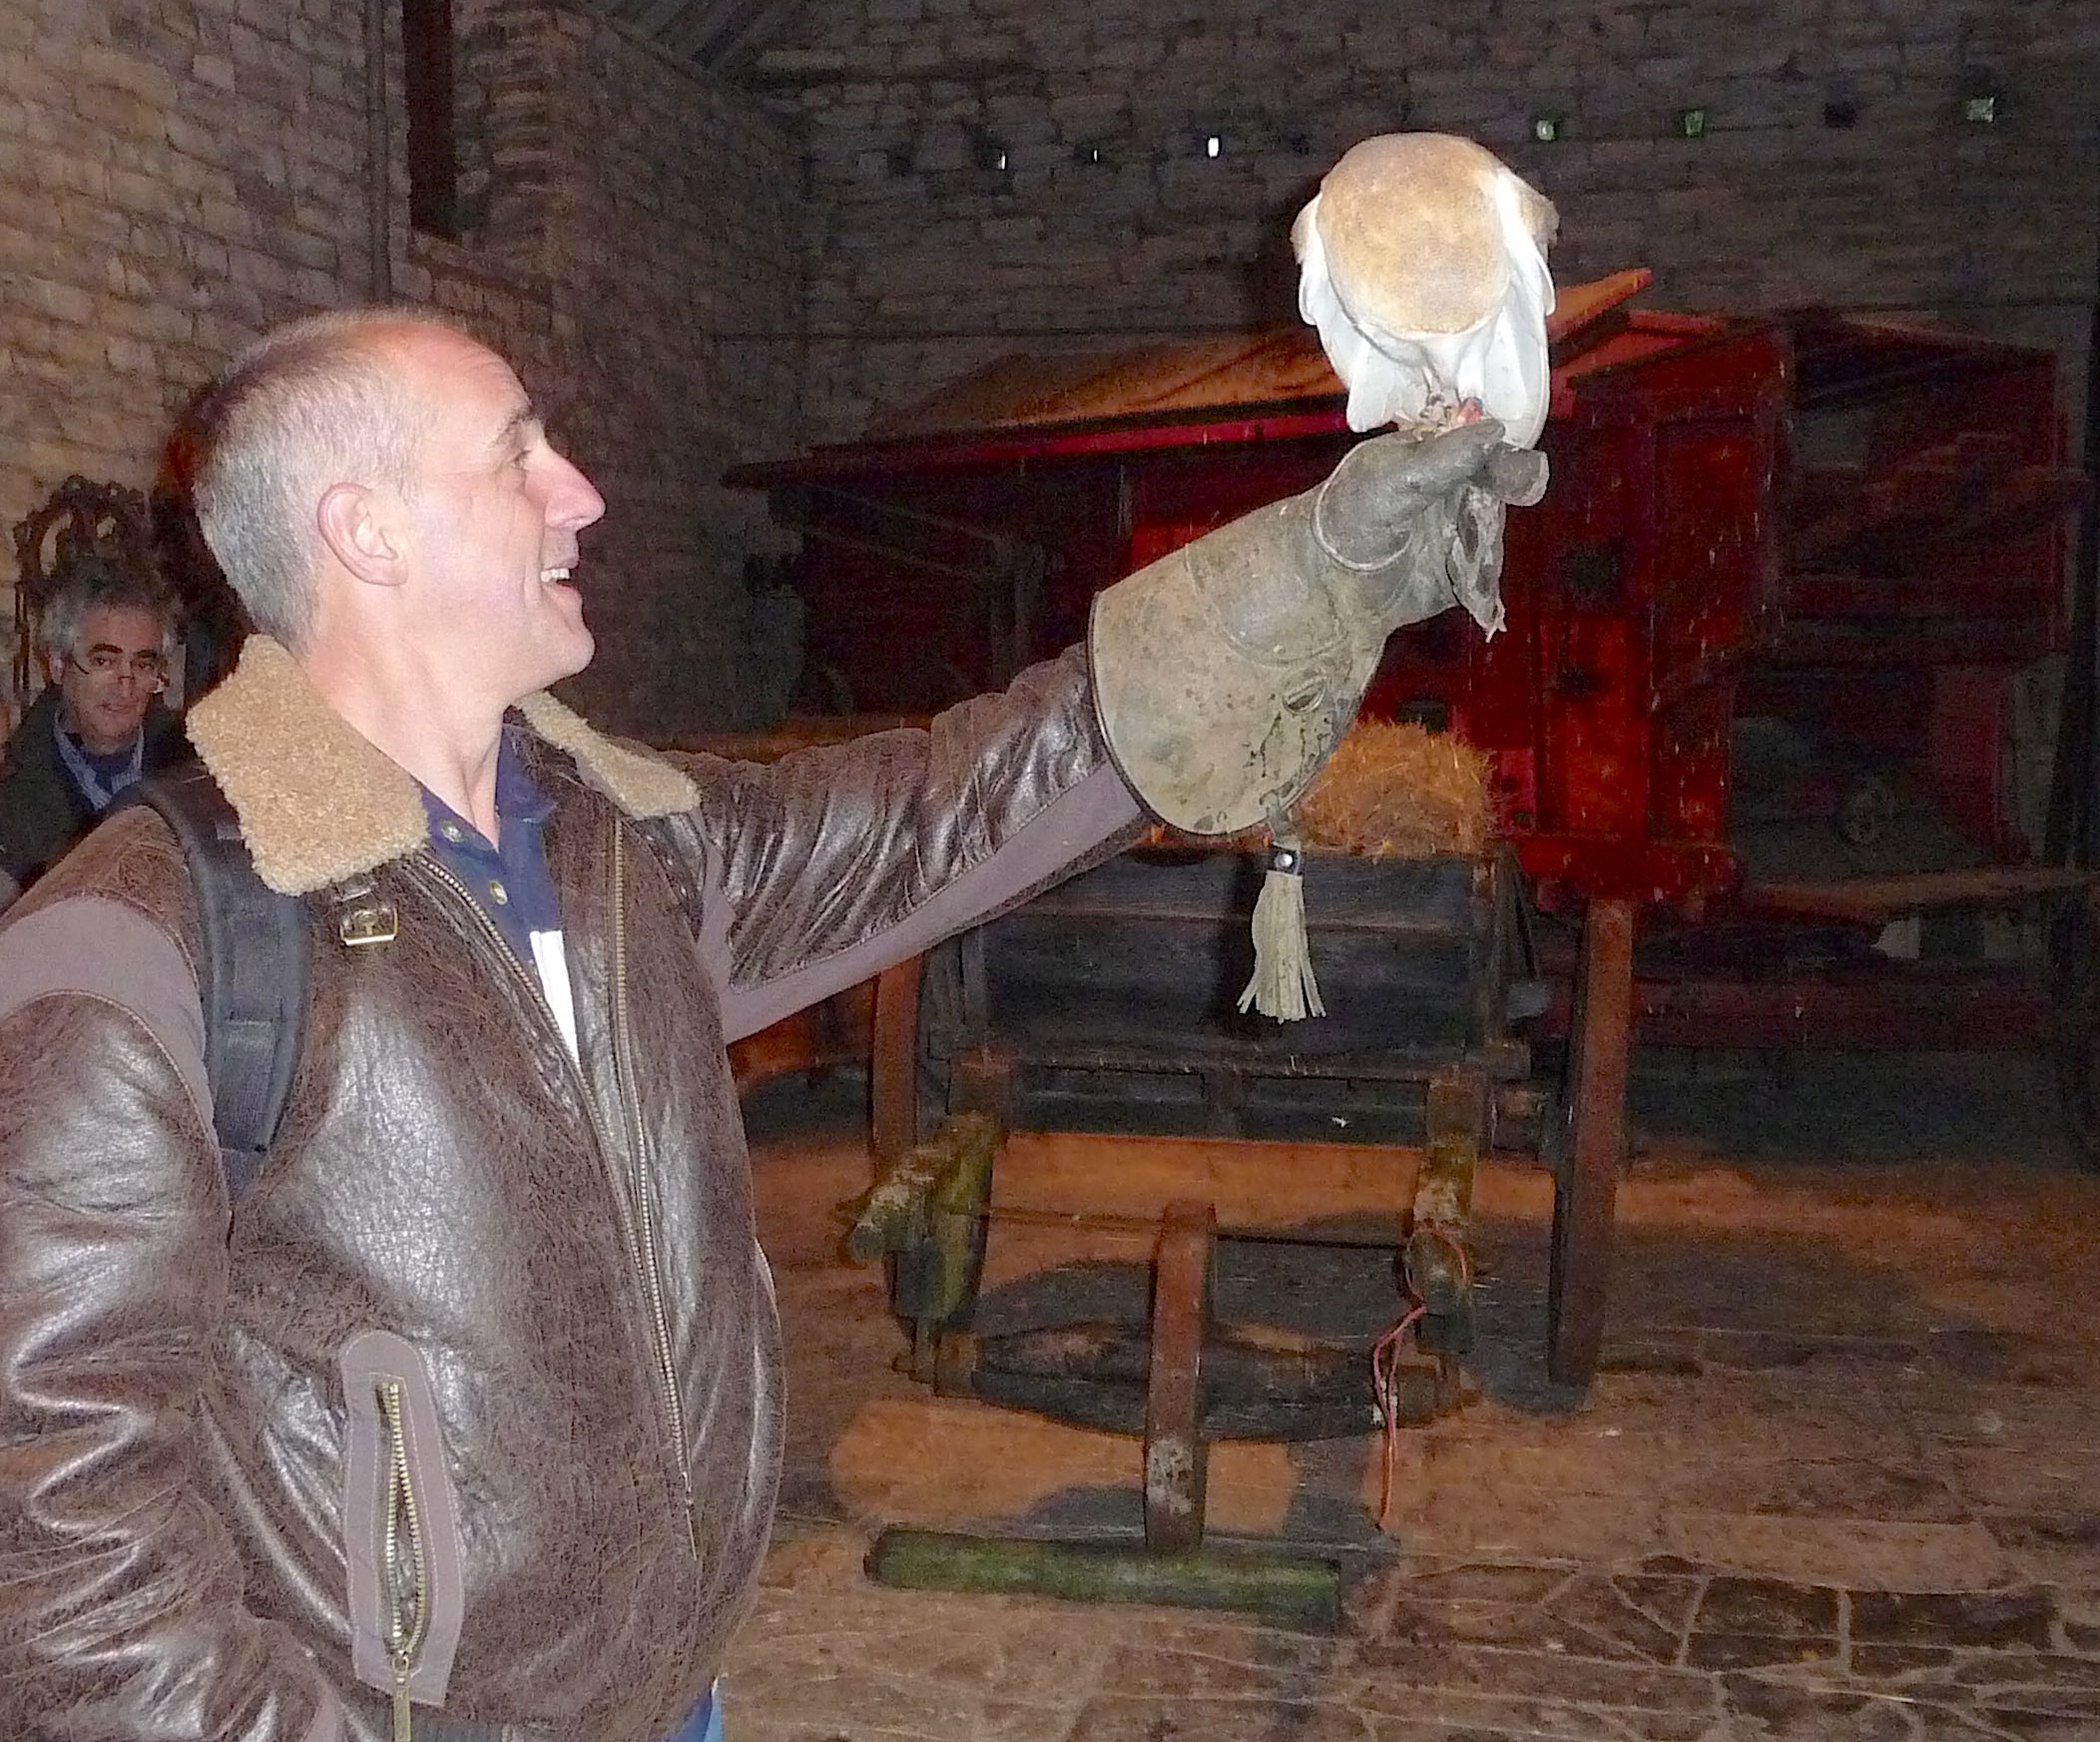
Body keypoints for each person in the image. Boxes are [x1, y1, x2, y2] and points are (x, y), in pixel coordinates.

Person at [0, 306, 1536, 1742]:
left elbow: (953, 804)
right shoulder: (147, 938)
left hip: (680, 1695)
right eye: (519, 454)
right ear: (367, 531)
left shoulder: (632, 849)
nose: (582, 493)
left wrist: (1314, 572)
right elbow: (63, 1558)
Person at [0, 554, 190, 907]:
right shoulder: (12, 792)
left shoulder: (194, 767)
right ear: (58, 664)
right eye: (104, 661)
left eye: (142, 664)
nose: (125, 686)